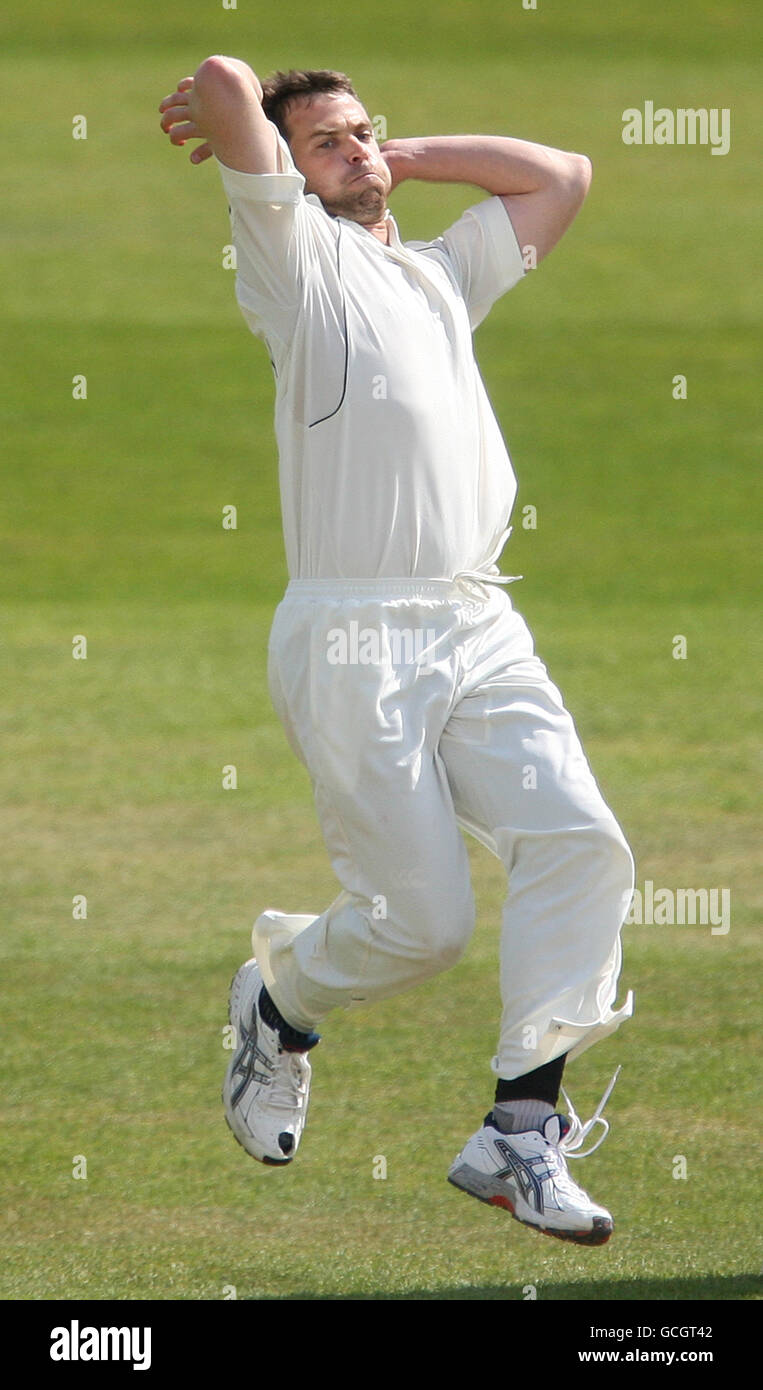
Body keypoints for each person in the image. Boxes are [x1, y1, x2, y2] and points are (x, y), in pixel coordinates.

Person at [159, 56, 635, 1246]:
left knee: (582, 845)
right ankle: (278, 1000)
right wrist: (247, 131)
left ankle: (521, 1130)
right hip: (353, 634)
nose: (358, 152)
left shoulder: (434, 274)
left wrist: (395, 156)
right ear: (288, 173)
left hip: (478, 620)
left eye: (366, 132)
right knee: (424, 928)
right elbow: (225, 81)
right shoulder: (295, 269)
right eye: (327, 143)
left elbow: (561, 178)